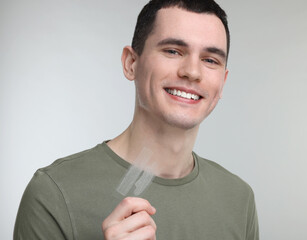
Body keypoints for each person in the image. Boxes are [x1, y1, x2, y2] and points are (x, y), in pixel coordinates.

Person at [14, 0, 259, 239]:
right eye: (173, 51)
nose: (192, 72)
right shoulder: (54, 194)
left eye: (210, 60)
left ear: (222, 83)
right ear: (131, 63)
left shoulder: (239, 199)